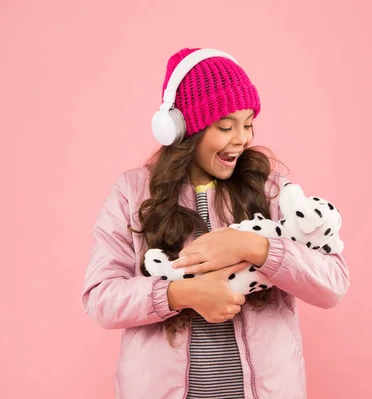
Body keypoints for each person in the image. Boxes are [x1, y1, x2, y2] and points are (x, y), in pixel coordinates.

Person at [81, 47, 350, 399]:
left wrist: (256, 248)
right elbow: (101, 297)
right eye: (226, 126)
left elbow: (333, 284)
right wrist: (179, 294)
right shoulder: (132, 193)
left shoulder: (270, 189)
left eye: (248, 124)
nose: (242, 139)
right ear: (183, 130)